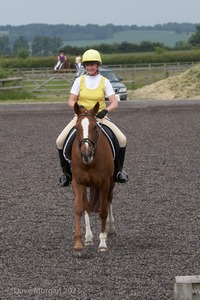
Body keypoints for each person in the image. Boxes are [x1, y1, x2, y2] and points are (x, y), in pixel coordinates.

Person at [56, 49, 129, 187]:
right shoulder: (79, 80)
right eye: (88, 65)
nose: (90, 67)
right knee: (59, 141)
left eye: (93, 64)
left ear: (98, 65)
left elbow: (114, 102)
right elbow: (71, 101)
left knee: (122, 139)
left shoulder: (104, 81)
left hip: (100, 118)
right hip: (81, 118)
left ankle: (119, 172)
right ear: (84, 66)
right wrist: (80, 109)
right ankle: (65, 174)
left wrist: (105, 110)